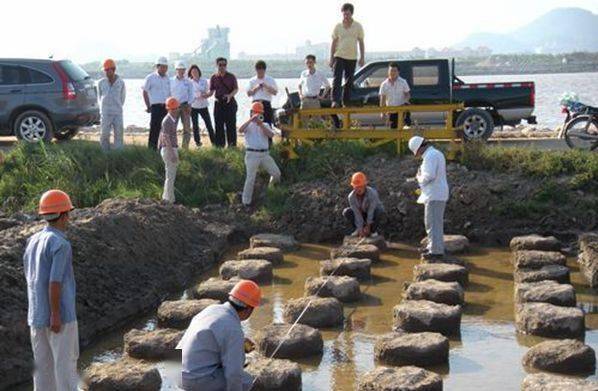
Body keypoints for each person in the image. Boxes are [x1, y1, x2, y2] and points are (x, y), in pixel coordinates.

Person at [23, 189, 78, 391]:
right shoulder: (60, 244)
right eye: (68, 214)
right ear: (63, 215)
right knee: (65, 369)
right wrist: (56, 313)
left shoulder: (32, 241)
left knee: (43, 371)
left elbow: (30, 278)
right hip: (60, 317)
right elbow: (55, 282)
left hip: (36, 316)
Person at [177, 280, 261, 391]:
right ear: (249, 310)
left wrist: (239, 342)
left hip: (175, 367)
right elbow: (234, 373)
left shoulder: (212, 309)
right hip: (192, 379)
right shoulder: (233, 329)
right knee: (246, 381)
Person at [408, 136, 449, 260]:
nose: (417, 155)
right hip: (436, 194)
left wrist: (418, 177)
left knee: (433, 223)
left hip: (434, 194)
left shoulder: (430, 156)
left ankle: (436, 251)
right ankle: (433, 247)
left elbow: (429, 176)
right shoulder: (435, 153)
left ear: (420, 148)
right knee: (432, 222)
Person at [239, 102, 281, 208]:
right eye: (255, 113)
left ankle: (270, 189)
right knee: (250, 178)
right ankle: (246, 202)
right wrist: (251, 120)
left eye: (259, 113)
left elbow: (271, 134)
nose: (258, 115)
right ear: (252, 112)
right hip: (251, 154)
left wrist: (260, 124)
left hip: (265, 154)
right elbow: (240, 130)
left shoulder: (265, 125)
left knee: (276, 174)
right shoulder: (248, 125)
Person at [329, 3, 365, 108]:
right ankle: (335, 100)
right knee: (337, 78)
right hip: (339, 55)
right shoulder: (338, 26)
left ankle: (346, 101)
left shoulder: (358, 26)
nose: (345, 16)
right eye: (344, 14)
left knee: (349, 80)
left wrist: (362, 57)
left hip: (352, 57)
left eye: (347, 14)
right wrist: (331, 58)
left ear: (351, 13)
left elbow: (361, 42)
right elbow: (334, 42)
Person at [206, 57, 238, 148]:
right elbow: (211, 91)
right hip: (218, 103)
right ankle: (220, 146)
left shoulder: (231, 76)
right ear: (217, 65)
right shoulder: (214, 77)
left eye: (224, 65)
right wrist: (204, 95)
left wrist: (230, 96)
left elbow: (236, 89)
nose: (222, 67)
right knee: (218, 125)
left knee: (231, 125)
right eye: (220, 65)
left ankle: (232, 146)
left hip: (229, 102)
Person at [343, 172, 384, 237]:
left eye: (360, 186)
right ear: (353, 187)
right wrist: (360, 228)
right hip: (362, 213)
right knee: (347, 212)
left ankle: (372, 231)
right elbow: (357, 213)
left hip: (372, 213)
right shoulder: (351, 197)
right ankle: (358, 229)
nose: (358, 189)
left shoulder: (372, 193)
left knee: (380, 210)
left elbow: (371, 210)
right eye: (356, 187)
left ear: (365, 185)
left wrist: (368, 226)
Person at [143, 56, 171, 150]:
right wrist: (148, 106)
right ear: (157, 66)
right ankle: (151, 150)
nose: (164, 69)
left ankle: (162, 150)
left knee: (165, 130)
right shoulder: (150, 77)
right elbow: (144, 91)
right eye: (162, 66)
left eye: (166, 67)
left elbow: (170, 93)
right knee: (154, 129)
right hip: (155, 107)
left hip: (166, 107)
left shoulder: (168, 79)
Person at [247, 60, 278, 147]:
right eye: (258, 69)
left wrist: (266, 86)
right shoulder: (252, 80)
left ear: (265, 70)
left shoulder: (270, 79)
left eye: (262, 69)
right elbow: (249, 93)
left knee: (267, 124)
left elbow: (275, 92)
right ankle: (254, 145)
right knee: (254, 125)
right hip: (255, 104)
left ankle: (269, 144)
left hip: (266, 104)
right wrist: (257, 87)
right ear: (256, 70)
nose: (260, 71)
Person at [98, 59, 126, 151]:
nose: (106, 72)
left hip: (118, 112)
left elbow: (122, 98)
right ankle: (104, 153)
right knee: (104, 134)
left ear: (113, 70)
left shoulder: (121, 83)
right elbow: (99, 96)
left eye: (107, 70)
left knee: (118, 134)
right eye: (105, 70)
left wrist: (117, 106)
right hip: (105, 113)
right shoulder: (101, 83)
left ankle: (118, 155)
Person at [159, 97, 180, 204]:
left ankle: (169, 198)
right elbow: (166, 138)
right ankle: (167, 199)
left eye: (176, 108)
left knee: (171, 175)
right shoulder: (167, 120)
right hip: (169, 150)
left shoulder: (171, 119)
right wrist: (172, 153)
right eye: (173, 108)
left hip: (169, 149)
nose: (175, 110)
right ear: (168, 109)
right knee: (170, 176)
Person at [188, 64, 215, 147]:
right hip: (194, 106)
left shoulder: (204, 81)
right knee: (195, 125)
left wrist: (206, 95)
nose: (194, 73)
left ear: (199, 72)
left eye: (196, 71)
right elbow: (188, 94)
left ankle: (214, 142)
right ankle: (197, 142)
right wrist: (196, 95)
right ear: (190, 73)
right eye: (193, 72)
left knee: (208, 124)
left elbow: (209, 92)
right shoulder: (189, 82)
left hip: (203, 105)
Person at [170, 61, 194, 150]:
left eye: (183, 69)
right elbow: (168, 93)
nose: (182, 71)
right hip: (173, 107)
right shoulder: (170, 81)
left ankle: (185, 148)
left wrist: (189, 104)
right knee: (172, 128)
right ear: (176, 70)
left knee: (187, 129)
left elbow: (191, 94)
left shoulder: (188, 82)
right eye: (180, 69)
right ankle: (173, 146)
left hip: (185, 106)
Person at [379, 62, 411, 128]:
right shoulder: (384, 84)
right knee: (393, 130)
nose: (392, 73)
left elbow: (407, 95)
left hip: (402, 110)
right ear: (388, 72)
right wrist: (382, 112)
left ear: (398, 72)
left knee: (404, 129)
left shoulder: (403, 82)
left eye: (394, 71)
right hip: (390, 111)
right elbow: (382, 99)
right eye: (391, 71)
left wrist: (405, 102)